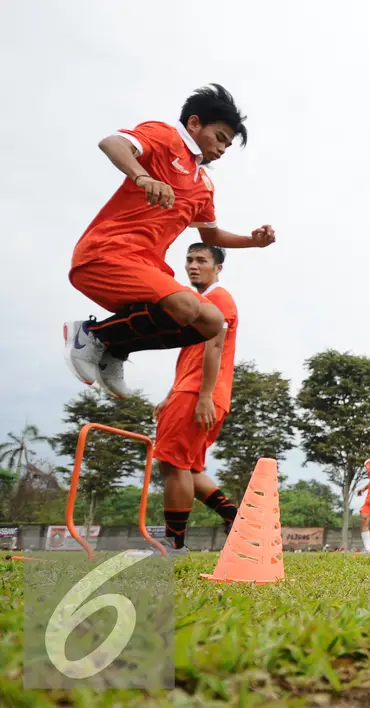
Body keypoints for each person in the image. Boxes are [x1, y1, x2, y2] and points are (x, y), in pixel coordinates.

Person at [64, 84, 275, 398]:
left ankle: (113, 349)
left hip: (146, 268)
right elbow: (112, 143)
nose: (221, 150)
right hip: (107, 254)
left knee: (212, 323)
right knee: (186, 305)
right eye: (219, 138)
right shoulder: (166, 137)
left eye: (227, 146)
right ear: (194, 123)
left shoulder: (203, 184)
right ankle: (90, 335)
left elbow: (210, 235)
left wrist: (253, 241)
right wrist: (143, 177)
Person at [151, 243, 240, 555]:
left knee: (172, 464)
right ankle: (235, 518)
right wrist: (169, 395)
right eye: (189, 260)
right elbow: (192, 356)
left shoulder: (218, 298)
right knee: (187, 467)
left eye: (201, 260)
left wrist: (202, 396)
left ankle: (173, 545)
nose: (192, 265)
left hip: (199, 393)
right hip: (192, 391)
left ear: (217, 268)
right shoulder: (201, 302)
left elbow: (214, 348)